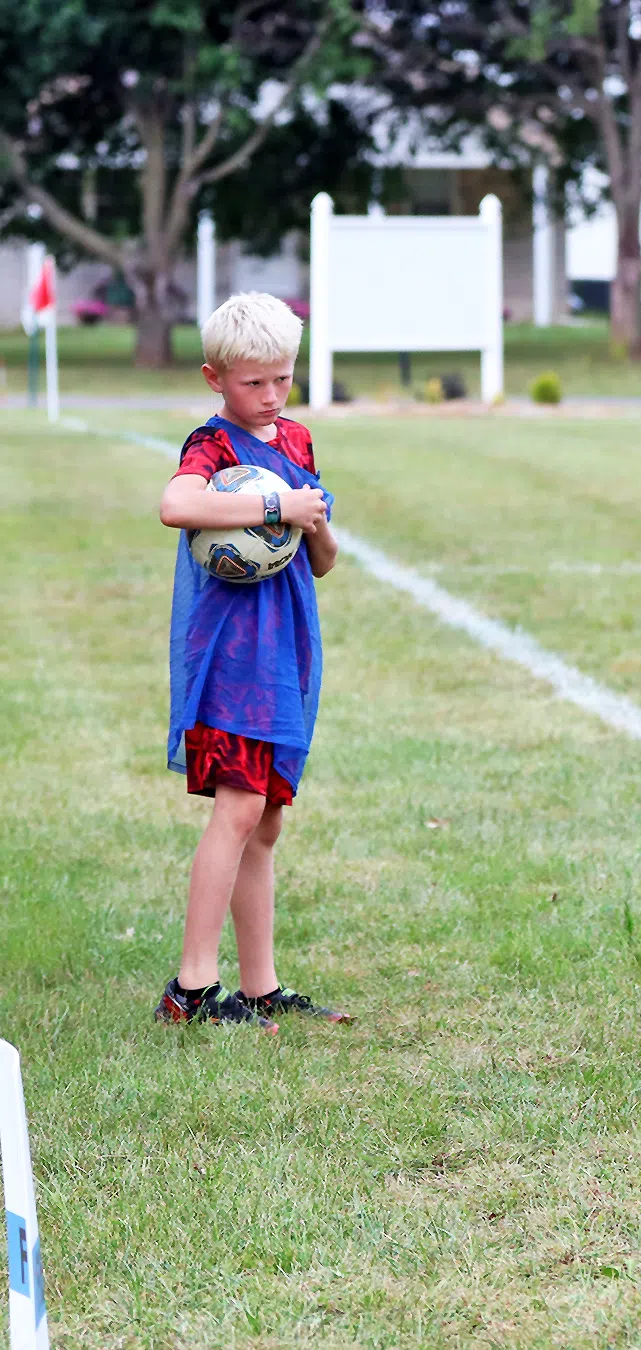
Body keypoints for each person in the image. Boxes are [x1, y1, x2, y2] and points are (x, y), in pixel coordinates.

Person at [153, 293, 349, 1032]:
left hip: (288, 646)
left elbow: (322, 559)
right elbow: (177, 506)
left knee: (265, 818)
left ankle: (261, 986)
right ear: (215, 377)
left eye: (282, 380)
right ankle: (193, 988)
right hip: (233, 654)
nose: (269, 399)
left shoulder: (295, 441)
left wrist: (312, 520)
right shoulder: (212, 447)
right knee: (237, 808)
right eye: (252, 384)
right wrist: (274, 511)